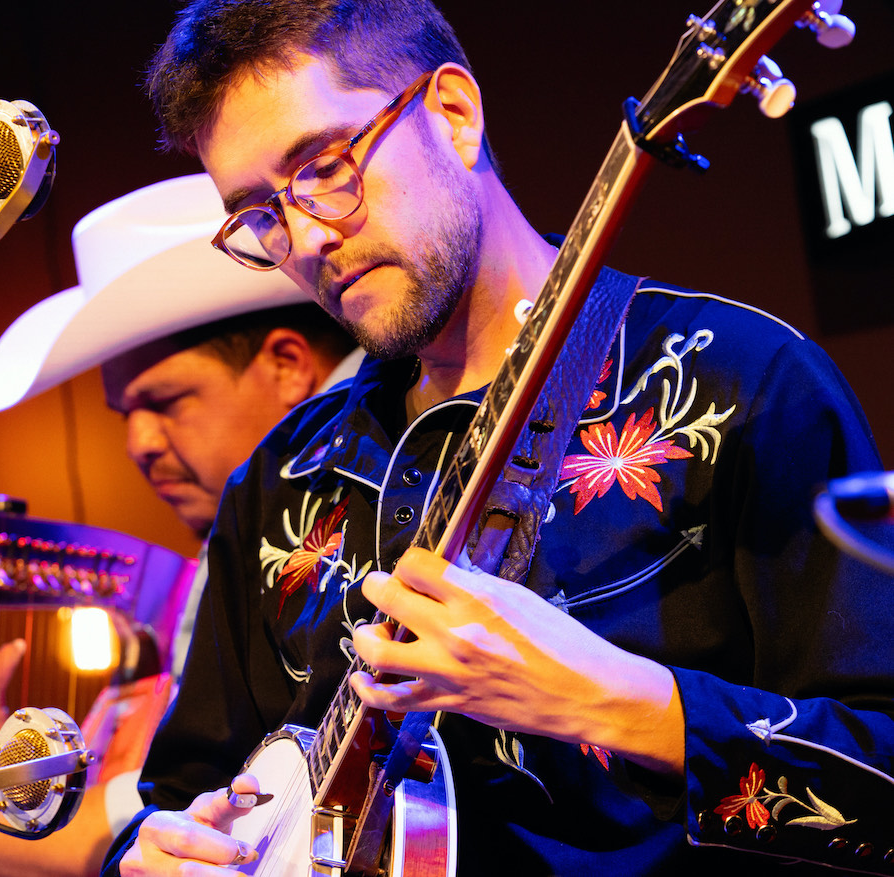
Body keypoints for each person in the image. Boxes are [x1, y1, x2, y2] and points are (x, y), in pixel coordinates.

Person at [105, 2, 894, 875]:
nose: (307, 238)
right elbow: (176, 798)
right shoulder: (284, 479)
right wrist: (151, 853)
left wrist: (619, 702)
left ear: (453, 113)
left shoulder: (741, 381)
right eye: (260, 213)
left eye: (324, 167)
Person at [0, 174, 361, 877]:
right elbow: (190, 808)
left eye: (165, 401)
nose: (139, 443)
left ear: (288, 366)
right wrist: (2, 774)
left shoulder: (375, 469)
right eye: (125, 415)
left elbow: (196, 816)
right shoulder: (245, 531)